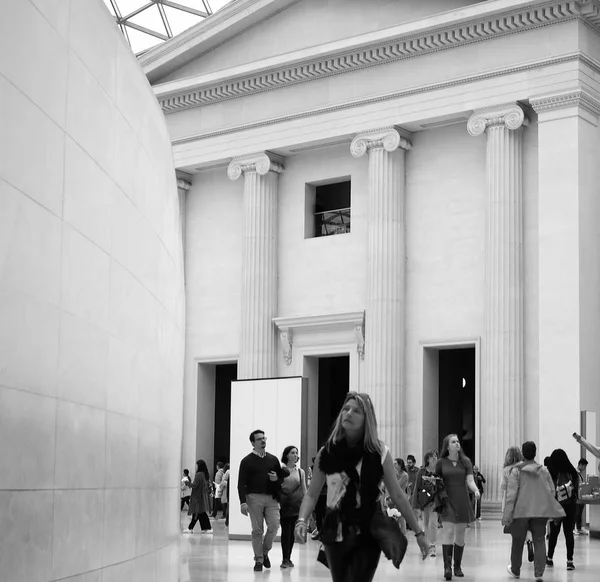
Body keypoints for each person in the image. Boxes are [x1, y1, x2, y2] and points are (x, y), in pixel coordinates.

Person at [293, 392, 429, 582]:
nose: (348, 413)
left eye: (356, 411)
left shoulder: (380, 452)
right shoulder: (328, 451)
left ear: (367, 419)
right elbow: (312, 494)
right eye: (346, 409)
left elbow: (397, 495)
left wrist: (419, 532)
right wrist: (301, 520)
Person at [502, 441, 565, 582]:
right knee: (539, 540)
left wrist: (507, 515)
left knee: (517, 541)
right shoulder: (543, 471)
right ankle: (538, 574)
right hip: (539, 512)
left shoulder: (516, 471)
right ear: (535, 453)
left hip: (520, 512)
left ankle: (515, 570)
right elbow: (551, 491)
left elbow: (511, 495)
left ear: (523, 454)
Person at [237, 429, 290, 572]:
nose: (263, 440)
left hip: (272, 498)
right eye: (259, 439)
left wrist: (276, 479)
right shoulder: (246, 461)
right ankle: (259, 559)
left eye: (264, 438)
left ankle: (264, 552)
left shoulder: (273, 459)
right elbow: (241, 483)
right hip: (253, 498)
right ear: (253, 443)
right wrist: (243, 502)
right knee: (257, 530)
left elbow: (280, 479)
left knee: (274, 526)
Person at [435, 433, 480, 581]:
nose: (457, 443)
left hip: (462, 499)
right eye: (454, 442)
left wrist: (475, 490)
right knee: (448, 531)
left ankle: (457, 566)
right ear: (447, 446)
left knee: (460, 533)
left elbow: (470, 480)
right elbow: (436, 480)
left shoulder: (465, 462)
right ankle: (447, 567)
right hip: (447, 499)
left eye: (458, 441)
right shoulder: (441, 462)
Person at [546, 448, 579, 571]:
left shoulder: (552, 473)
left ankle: (549, 558)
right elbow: (576, 490)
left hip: (556, 507)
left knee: (554, 533)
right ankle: (570, 561)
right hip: (570, 506)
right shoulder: (573, 472)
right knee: (569, 533)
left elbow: (549, 491)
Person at [279, 445, 307, 568]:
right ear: (286, 455)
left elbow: (304, 490)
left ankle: (288, 558)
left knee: (292, 534)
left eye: (296, 453)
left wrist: (307, 506)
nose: (295, 455)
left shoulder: (300, 472)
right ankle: (285, 559)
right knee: (286, 532)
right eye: (292, 452)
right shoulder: (281, 470)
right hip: (284, 505)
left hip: (297, 505)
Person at [412, 450, 439, 557]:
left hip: (435, 500)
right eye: (432, 457)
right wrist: (415, 505)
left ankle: (432, 545)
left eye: (436, 456)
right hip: (424, 501)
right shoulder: (422, 471)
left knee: (433, 523)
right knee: (426, 523)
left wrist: (435, 482)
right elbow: (416, 488)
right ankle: (427, 544)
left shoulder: (439, 470)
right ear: (428, 459)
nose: (435, 458)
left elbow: (443, 486)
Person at [184, 460, 213, 534]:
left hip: (197, 496)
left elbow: (194, 485)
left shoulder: (199, 474)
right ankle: (206, 528)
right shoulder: (205, 474)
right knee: (200, 513)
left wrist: (187, 483)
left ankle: (192, 528)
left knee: (197, 512)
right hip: (202, 496)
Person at [574, 457, 588, 534]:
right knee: (576, 513)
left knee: (579, 513)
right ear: (580, 465)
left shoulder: (580, 474)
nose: (585, 468)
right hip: (577, 497)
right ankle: (575, 528)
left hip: (580, 496)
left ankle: (579, 528)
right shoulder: (576, 473)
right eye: (584, 466)